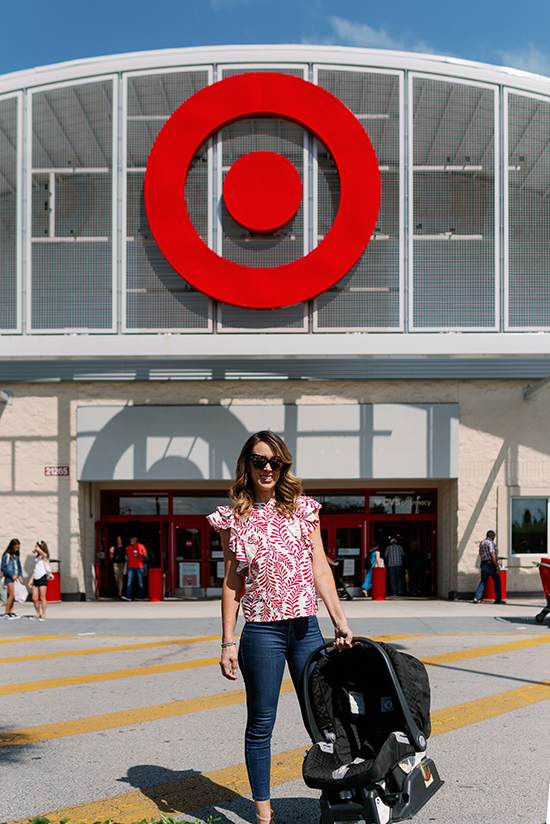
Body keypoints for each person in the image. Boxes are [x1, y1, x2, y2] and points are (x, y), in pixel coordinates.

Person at [208, 430, 353, 824]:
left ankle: (336, 801)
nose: (268, 468)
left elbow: (320, 568)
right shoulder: (233, 518)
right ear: (247, 465)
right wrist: (227, 642)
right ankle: (264, 815)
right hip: (262, 632)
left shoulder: (304, 510)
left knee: (322, 718)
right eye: (259, 461)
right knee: (261, 723)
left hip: (306, 627)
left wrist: (339, 620)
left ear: (284, 465)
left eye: (275, 462)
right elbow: (233, 581)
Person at [473, 530, 504, 604]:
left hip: (483, 563)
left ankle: (477, 597)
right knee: (497, 581)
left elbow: (480, 553)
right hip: (490, 564)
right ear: (492, 536)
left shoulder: (482, 542)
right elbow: (492, 554)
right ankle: (498, 599)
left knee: (483, 581)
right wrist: (497, 566)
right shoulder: (491, 543)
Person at [28, 541, 51, 621]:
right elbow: (35, 570)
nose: (35, 548)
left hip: (42, 578)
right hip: (36, 578)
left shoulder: (45, 557)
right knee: (34, 598)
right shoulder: (37, 558)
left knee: (42, 597)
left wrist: (38, 550)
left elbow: (45, 554)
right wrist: (31, 580)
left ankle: (43, 614)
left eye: (36, 546)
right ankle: (38, 613)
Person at [1, 539, 23, 620]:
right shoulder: (7, 556)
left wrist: (20, 575)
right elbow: (3, 567)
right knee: (11, 594)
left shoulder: (15, 556)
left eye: (18, 548)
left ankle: (11, 611)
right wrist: (11, 575)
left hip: (15, 578)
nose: (17, 549)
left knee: (13, 595)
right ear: (12, 546)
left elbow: (19, 567)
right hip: (9, 578)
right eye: (16, 547)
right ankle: (6, 612)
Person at [122, 536, 147, 600]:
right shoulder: (128, 547)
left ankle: (141, 597)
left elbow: (146, 556)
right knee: (129, 582)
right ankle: (128, 596)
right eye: (130, 539)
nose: (131, 540)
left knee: (140, 583)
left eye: (132, 539)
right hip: (130, 567)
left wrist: (139, 555)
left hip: (139, 567)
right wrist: (127, 567)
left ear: (136, 539)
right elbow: (128, 558)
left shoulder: (141, 546)